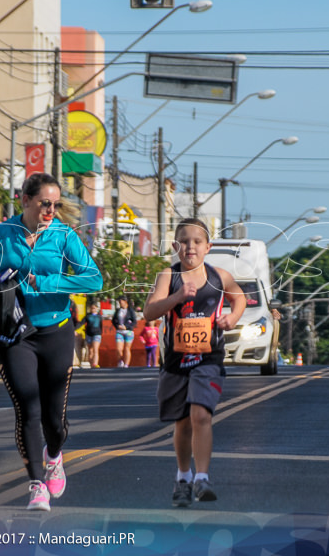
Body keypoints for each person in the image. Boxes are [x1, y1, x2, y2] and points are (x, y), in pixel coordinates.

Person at [0, 172, 103, 511]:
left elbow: (93, 278)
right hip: (14, 332)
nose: (51, 211)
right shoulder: (0, 235)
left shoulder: (63, 236)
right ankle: (35, 484)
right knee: (28, 407)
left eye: (55, 205)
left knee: (54, 421)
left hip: (56, 331)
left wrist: (48, 281)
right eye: (45, 203)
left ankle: (54, 455)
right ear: (25, 200)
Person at [144, 217, 246, 507]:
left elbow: (239, 297)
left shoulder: (218, 277)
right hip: (176, 361)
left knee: (201, 414)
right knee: (183, 422)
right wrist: (176, 296)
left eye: (197, 242)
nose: (190, 247)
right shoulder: (169, 276)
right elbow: (149, 312)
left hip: (208, 359)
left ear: (208, 247)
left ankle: (202, 478)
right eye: (184, 242)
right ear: (176, 246)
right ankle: (183, 477)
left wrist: (232, 318)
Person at [113, 298, 137, 367]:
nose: (120, 303)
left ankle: (126, 364)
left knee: (127, 348)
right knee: (118, 349)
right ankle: (120, 361)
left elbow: (134, 322)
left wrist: (126, 327)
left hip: (128, 331)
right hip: (119, 331)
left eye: (121, 302)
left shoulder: (130, 311)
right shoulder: (118, 310)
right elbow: (114, 320)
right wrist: (117, 326)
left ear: (125, 302)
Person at [85, 299, 103, 368]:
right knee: (90, 350)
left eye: (94, 308)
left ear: (96, 308)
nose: (93, 309)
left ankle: (95, 364)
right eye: (92, 308)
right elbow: (81, 323)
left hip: (97, 334)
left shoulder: (99, 316)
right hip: (89, 334)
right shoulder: (88, 316)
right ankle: (91, 364)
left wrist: (100, 333)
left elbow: (101, 326)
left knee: (95, 349)